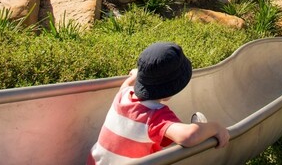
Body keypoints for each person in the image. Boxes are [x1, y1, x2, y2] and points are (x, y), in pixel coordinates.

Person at [88, 42, 229, 164]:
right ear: (172, 89)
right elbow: (188, 136)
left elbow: (125, 85)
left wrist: (137, 76)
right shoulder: (155, 117)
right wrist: (215, 128)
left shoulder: (123, 95)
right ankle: (202, 127)